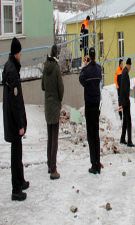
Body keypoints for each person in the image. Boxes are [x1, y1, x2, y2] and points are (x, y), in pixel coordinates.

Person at [2, 37, 29, 201]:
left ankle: (21, 180)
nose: (21, 55)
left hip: (12, 119)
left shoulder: (9, 67)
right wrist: (20, 124)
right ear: (16, 53)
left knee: (18, 153)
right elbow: (15, 102)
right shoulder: (12, 71)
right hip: (14, 122)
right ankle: (16, 190)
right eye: (20, 52)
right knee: (15, 155)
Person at [42, 45, 64, 180]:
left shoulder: (45, 67)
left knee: (49, 136)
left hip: (47, 105)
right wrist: (59, 99)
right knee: (54, 138)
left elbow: (43, 86)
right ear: (56, 54)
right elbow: (61, 88)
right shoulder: (56, 68)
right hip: (55, 105)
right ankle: (53, 169)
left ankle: (49, 163)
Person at [79, 48, 102, 174]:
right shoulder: (98, 69)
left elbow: (81, 79)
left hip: (89, 105)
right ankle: (98, 162)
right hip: (97, 105)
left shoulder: (86, 71)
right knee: (96, 135)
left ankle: (94, 164)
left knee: (91, 135)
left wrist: (84, 66)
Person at [120, 58, 135, 147]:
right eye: (130, 66)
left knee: (125, 120)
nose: (130, 68)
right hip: (125, 101)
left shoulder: (124, 72)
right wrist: (126, 100)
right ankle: (129, 141)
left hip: (124, 100)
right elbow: (125, 88)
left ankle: (122, 138)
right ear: (128, 65)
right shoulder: (125, 73)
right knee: (128, 121)